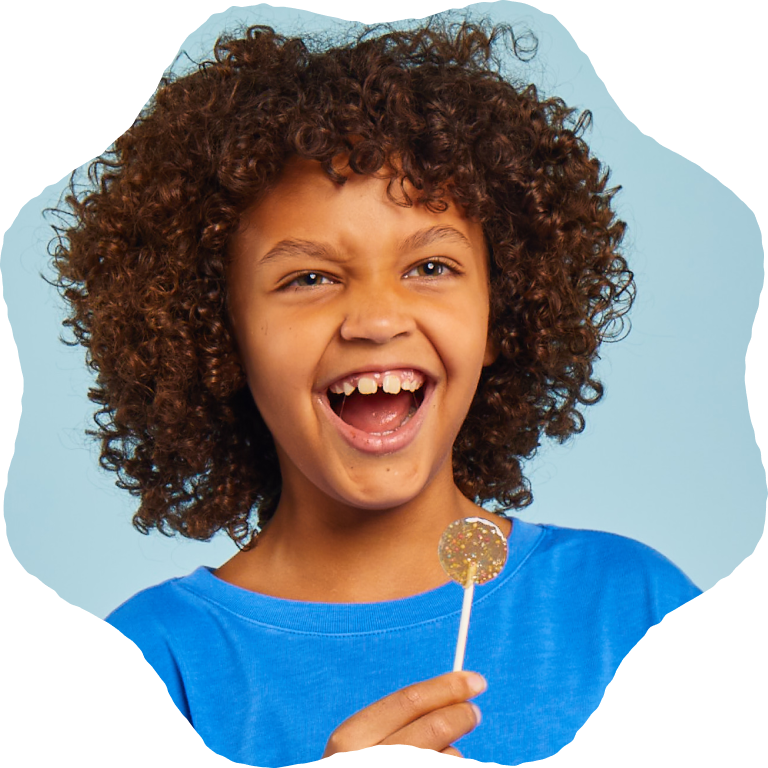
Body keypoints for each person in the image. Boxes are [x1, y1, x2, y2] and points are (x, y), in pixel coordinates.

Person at [48, 19, 701, 766]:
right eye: (309, 279)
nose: (378, 320)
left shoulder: (629, 607)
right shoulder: (164, 661)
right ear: (218, 338)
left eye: (430, 267)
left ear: (501, 313)